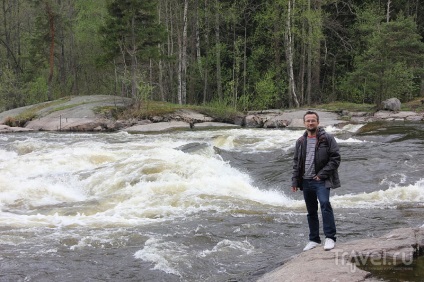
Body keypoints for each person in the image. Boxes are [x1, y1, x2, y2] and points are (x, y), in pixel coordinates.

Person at [291, 111, 341, 251]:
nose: (310, 123)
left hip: (321, 180)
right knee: (311, 211)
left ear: (318, 122)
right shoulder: (301, 141)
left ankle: (330, 238)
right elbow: (296, 162)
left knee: (325, 204)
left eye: (313, 120)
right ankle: (314, 239)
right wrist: (295, 181)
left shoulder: (327, 138)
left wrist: (321, 174)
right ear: (304, 123)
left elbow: (335, 158)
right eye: (308, 121)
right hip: (306, 181)